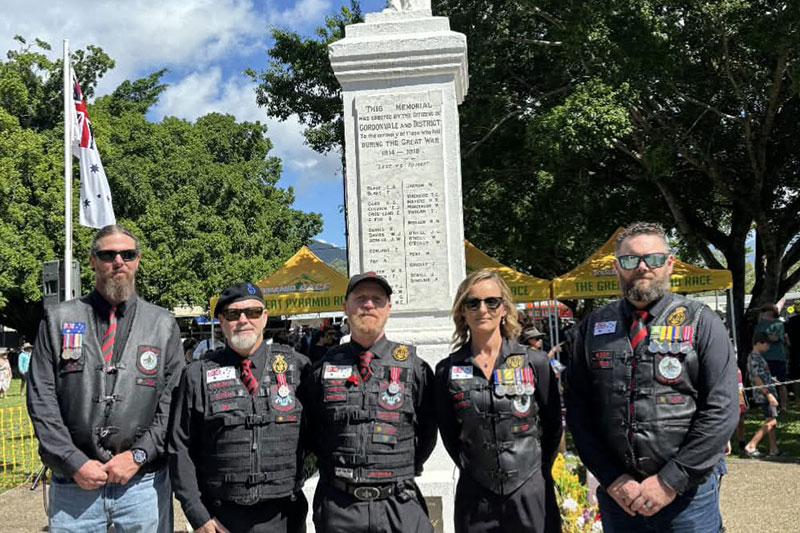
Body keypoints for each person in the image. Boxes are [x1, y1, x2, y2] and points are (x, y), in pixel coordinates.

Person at [564, 222, 738, 532]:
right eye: (631, 260)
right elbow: (579, 412)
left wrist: (670, 481)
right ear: (617, 267)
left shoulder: (702, 323)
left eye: (654, 259)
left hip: (688, 498)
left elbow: (721, 410)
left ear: (669, 264)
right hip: (621, 498)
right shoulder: (591, 329)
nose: (643, 268)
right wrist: (613, 479)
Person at [26, 224, 184, 532]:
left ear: (138, 260)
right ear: (92, 261)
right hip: (75, 484)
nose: (118, 261)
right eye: (108, 254)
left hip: (143, 482)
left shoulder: (163, 325)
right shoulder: (58, 320)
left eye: (128, 254)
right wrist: (74, 461)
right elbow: (41, 399)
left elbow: (173, 402)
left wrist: (139, 455)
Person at [299, 272, 437, 533]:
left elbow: (428, 431)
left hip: (399, 504)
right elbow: (311, 432)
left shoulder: (414, 368)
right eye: (360, 298)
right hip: (340, 508)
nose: (369, 305)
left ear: (388, 308)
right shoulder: (322, 370)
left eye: (377, 299)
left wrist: (398, 465)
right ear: (345, 306)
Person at [168, 282, 310, 532]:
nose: (243, 320)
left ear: (265, 318)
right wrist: (197, 514)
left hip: (284, 517)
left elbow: (321, 436)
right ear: (221, 322)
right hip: (220, 518)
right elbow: (180, 447)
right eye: (233, 314)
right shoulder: (197, 375)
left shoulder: (298, 369)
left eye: (253, 312)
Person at [434, 270, 562, 533]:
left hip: (529, 489)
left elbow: (551, 427)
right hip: (476, 494)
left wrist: (532, 471)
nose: (483, 309)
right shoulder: (447, 370)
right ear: (463, 312)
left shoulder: (534, 362)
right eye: (473, 303)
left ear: (504, 308)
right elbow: (449, 433)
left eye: (492, 301)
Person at [743, 333, 782, 457]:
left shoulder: (759, 357)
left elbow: (763, 375)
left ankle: (773, 449)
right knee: (771, 421)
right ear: (759, 343)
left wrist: (772, 380)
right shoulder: (754, 357)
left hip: (768, 391)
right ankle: (751, 445)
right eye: (767, 344)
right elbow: (756, 378)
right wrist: (768, 395)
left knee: (771, 421)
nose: (768, 347)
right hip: (764, 394)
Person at [753, 303, 790, 409]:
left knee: (781, 383)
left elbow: (777, 338)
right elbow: (756, 339)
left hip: (778, 357)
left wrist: (764, 337)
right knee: (766, 383)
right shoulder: (759, 325)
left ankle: (783, 406)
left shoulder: (778, 324)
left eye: (764, 311)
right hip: (764, 358)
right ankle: (770, 405)